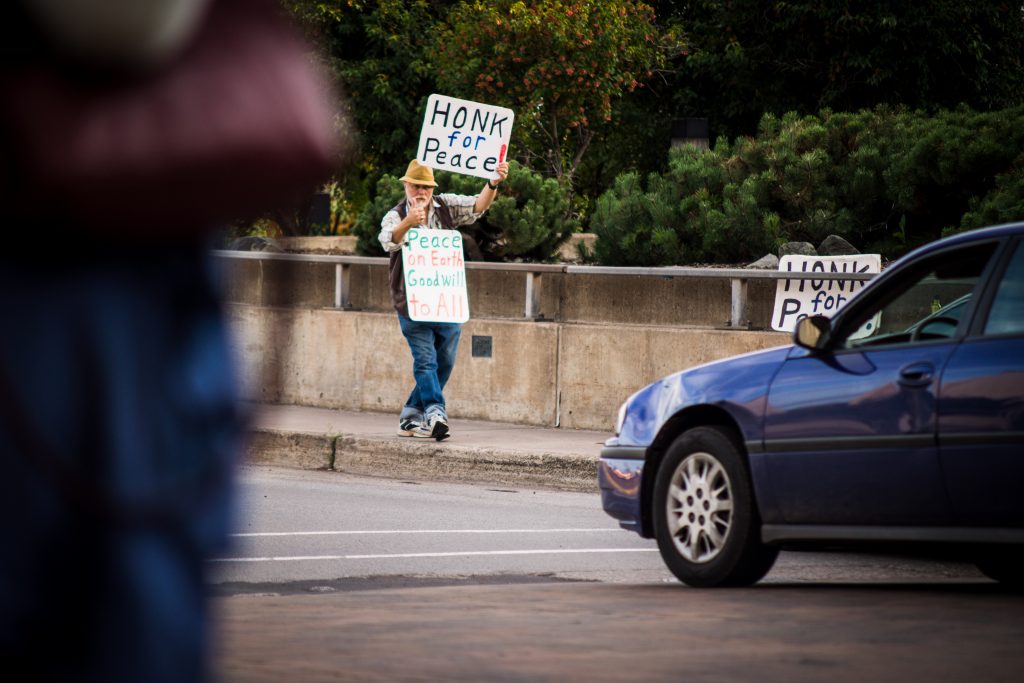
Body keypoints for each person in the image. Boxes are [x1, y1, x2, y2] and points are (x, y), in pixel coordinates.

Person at [379, 159, 509, 440]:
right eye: (416, 185)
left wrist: (493, 183)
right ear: (406, 185)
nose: (421, 191)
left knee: (445, 361)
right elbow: (387, 239)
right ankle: (436, 413)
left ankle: (411, 413)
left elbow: (478, 206)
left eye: (426, 186)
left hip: (446, 302)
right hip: (412, 305)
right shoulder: (396, 214)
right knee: (426, 361)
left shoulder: (446, 205)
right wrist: (408, 223)